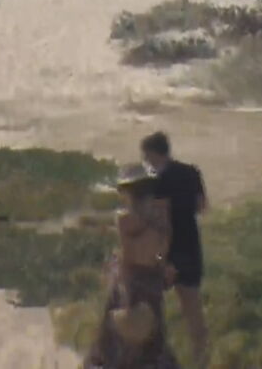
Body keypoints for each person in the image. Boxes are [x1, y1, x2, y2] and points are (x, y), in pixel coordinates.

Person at [86, 164, 181, 369]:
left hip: (129, 283)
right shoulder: (160, 219)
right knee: (156, 346)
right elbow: (161, 251)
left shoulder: (125, 218)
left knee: (106, 348)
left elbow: (130, 247)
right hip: (149, 282)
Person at [143, 132, 208, 368]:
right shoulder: (192, 172)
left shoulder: (157, 182)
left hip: (169, 252)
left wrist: (161, 257)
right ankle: (200, 361)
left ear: (152, 153)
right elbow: (202, 207)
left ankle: (159, 360)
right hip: (191, 246)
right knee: (194, 312)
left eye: (146, 156)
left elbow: (161, 221)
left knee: (150, 310)